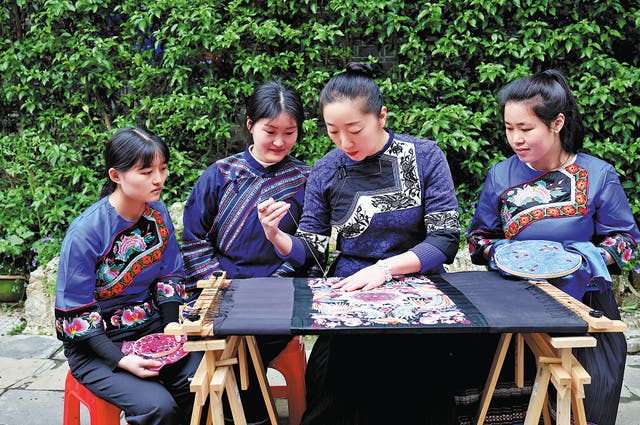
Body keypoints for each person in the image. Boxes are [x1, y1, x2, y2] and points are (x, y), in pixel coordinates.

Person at [258, 62, 461, 424]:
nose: (344, 143)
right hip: (351, 289)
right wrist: (277, 236)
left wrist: (386, 268)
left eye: (354, 130)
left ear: (381, 116)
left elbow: (444, 239)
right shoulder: (326, 169)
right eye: (333, 131)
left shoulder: (425, 155)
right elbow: (313, 250)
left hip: (419, 284)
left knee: (418, 379)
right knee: (333, 381)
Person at [466, 69, 640, 425]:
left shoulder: (597, 175)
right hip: (516, 306)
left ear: (557, 122)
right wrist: (500, 253)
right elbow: (477, 238)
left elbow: (626, 241)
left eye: (526, 128)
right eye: (509, 128)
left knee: (585, 405)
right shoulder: (501, 175)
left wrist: (578, 260)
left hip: (585, 307)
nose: (516, 138)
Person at [181, 79, 311, 424]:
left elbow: (311, 251)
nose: (280, 141)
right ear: (251, 125)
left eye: (290, 132)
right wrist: (220, 285)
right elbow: (194, 241)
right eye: (270, 131)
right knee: (219, 344)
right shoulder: (220, 175)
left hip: (279, 293)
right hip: (220, 290)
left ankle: (247, 417)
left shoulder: (306, 181)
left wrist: (272, 284)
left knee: (244, 346)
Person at [54, 127, 201, 425]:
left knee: (200, 381)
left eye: (162, 168)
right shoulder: (86, 233)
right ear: (116, 176)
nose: (158, 179)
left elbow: (170, 275)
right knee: (158, 407)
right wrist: (121, 360)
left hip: (153, 331)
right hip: (97, 348)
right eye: (146, 171)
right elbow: (76, 313)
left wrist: (171, 325)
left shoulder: (158, 214)